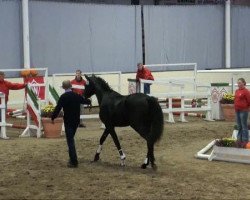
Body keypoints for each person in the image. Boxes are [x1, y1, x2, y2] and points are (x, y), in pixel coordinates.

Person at [51, 80, 91, 168]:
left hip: (68, 121)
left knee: (70, 141)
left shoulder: (63, 97)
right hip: (76, 121)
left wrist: (53, 117)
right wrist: (89, 100)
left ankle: (74, 161)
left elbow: (58, 108)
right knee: (71, 139)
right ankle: (72, 158)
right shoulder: (76, 95)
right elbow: (85, 101)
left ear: (64, 88)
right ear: (70, 86)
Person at [234, 78, 250, 145]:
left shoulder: (246, 91)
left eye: (240, 83)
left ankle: (245, 140)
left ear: (244, 83)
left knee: (244, 126)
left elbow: (249, 101)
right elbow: (235, 99)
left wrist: (246, 107)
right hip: (237, 110)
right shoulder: (236, 91)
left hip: (243, 111)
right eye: (238, 83)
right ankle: (239, 139)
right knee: (239, 126)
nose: (238, 84)